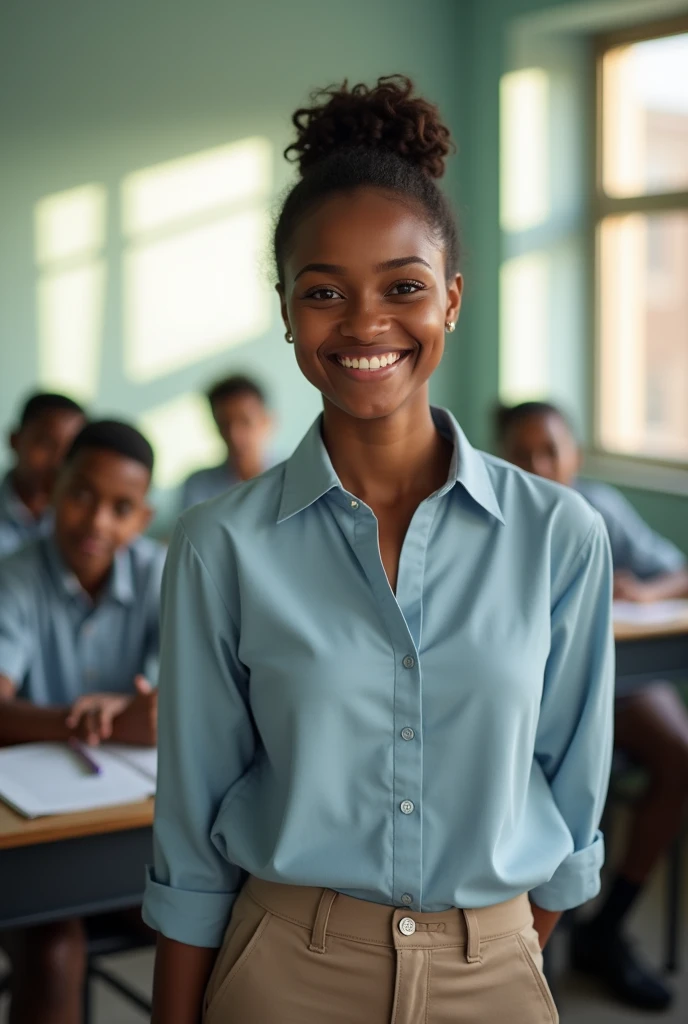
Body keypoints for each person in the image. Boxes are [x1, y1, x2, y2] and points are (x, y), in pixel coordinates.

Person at [144, 77, 614, 1024]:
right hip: (283, 973)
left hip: (495, 973)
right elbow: (190, 834)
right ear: (286, 311)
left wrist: (491, 949)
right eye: (325, 293)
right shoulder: (215, 546)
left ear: (450, 298)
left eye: (403, 287)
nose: (365, 324)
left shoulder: (561, 536)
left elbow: (571, 800)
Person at [496, 399, 688, 1012]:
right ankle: (525, 936)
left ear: (576, 454)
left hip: (619, 679)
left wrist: (644, 588)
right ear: (501, 459)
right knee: (559, 774)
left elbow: (675, 571)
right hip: (532, 689)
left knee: (679, 756)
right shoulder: (491, 514)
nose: (539, 464)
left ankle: (608, 927)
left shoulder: (600, 506)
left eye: (551, 449)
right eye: (522, 453)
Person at [0, 419, 165, 1024]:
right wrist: (100, 723)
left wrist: (133, 714)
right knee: (54, 950)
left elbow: (170, 706)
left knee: (207, 928)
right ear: (53, 487)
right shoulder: (15, 577)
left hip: (127, 839)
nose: (98, 521)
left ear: (142, 518)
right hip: (32, 845)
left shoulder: (162, 572)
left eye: (121, 507)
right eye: (82, 495)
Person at [0, 391, 86, 557]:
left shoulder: (83, 524)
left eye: (70, 451)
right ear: (14, 440)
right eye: (45, 444)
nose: (58, 462)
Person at [179, 375, 272, 510]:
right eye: (224, 424)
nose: (235, 435)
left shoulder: (294, 475)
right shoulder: (199, 485)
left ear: (267, 421)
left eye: (245, 421)